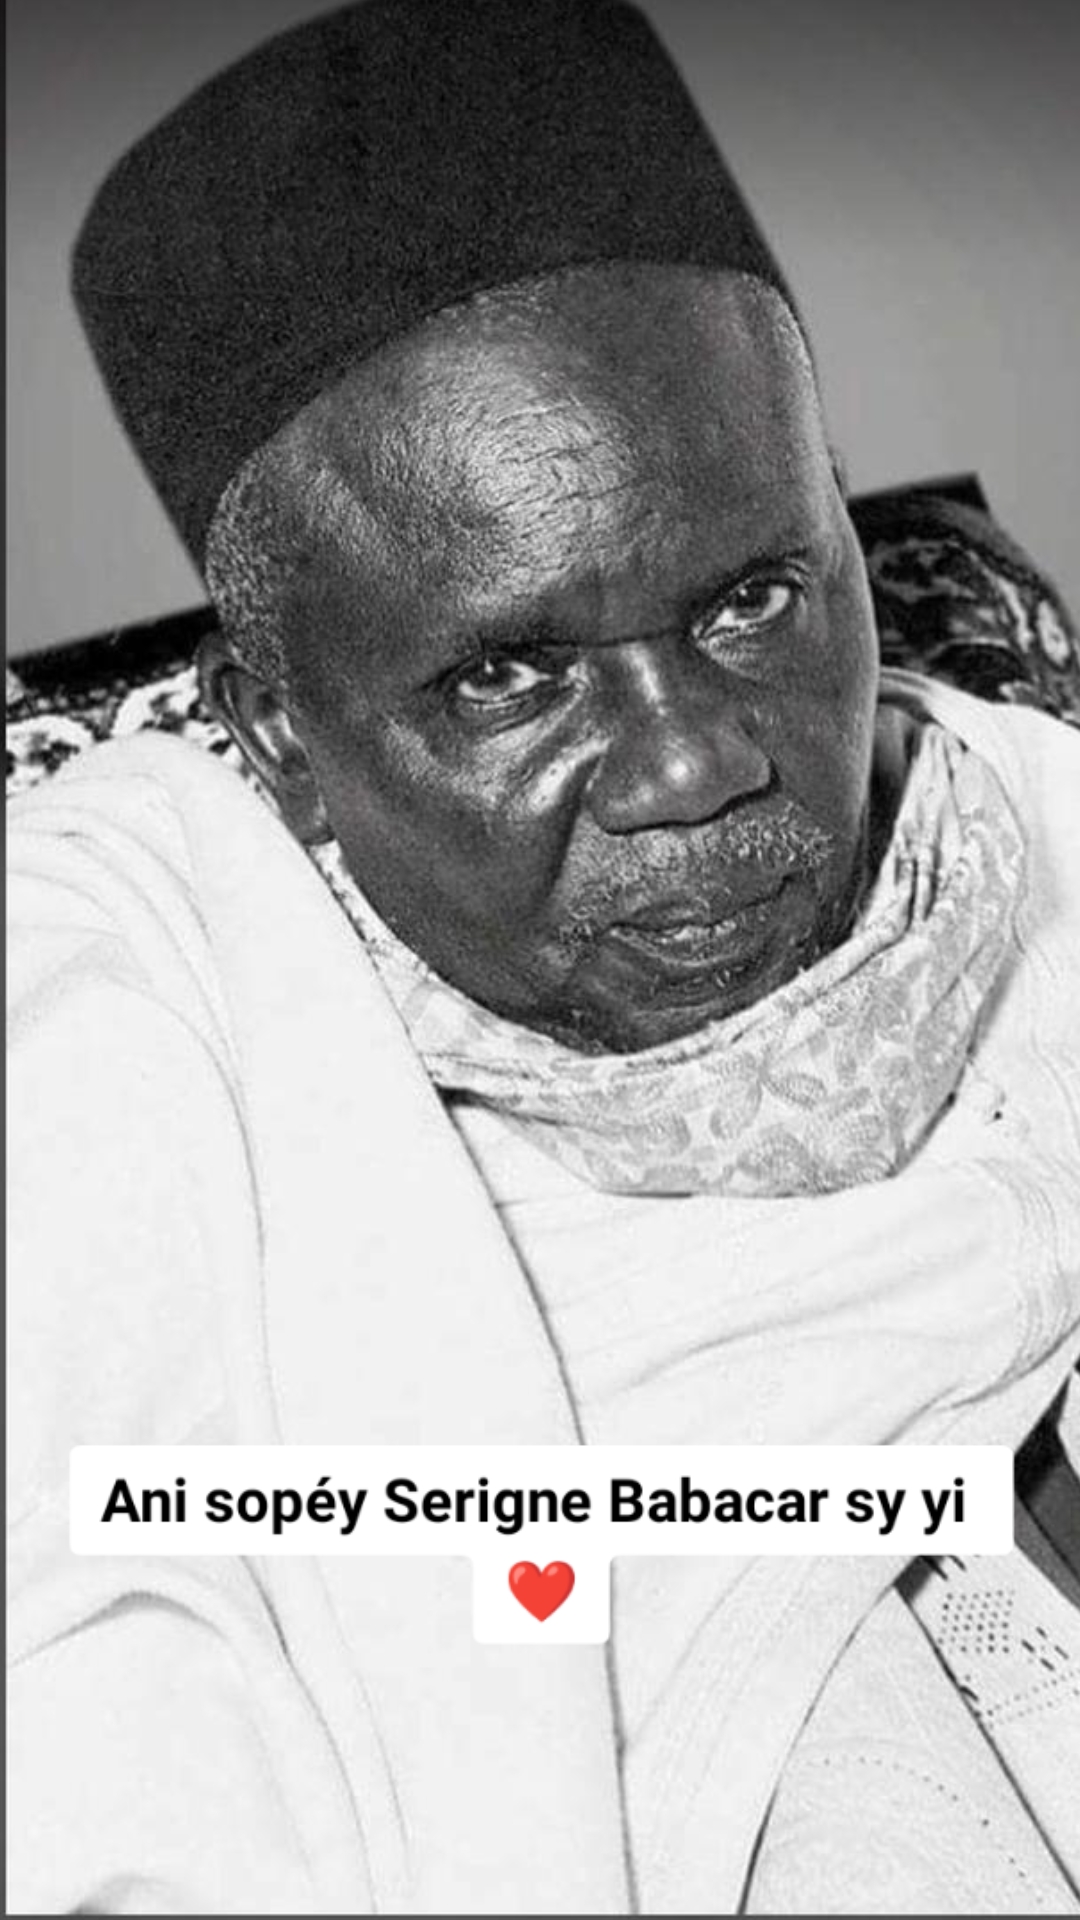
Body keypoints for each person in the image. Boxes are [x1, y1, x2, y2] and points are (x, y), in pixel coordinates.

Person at [7, 1, 1080, 1913]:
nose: (693, 767)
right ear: (278, 736)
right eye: (508, 676)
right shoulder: (138, 1024)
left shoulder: (1040, 831)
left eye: (755, 598)